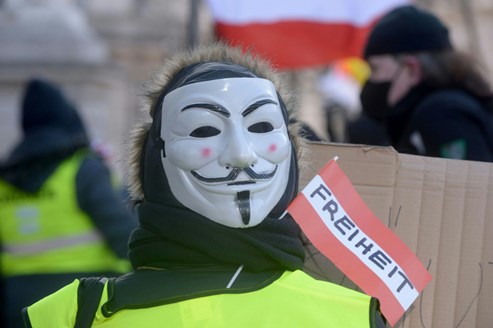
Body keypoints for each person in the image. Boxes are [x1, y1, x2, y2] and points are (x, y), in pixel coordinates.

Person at [22, 44, 386, 327]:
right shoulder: (69, 316)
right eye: (203, 130)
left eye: (261, 126)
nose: (241, 154)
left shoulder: (70, 315)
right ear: (156, 157)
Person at [0, 78, 137, 328]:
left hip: (20, 306)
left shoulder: (5, 181)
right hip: (83, 300)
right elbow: (122, 233)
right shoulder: (81, 169)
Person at [360, 5, 493, 161]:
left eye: (375, 68)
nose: (371, 79)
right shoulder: (450, 106)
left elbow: (472, 182)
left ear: (412, 69)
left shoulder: (439, 114)